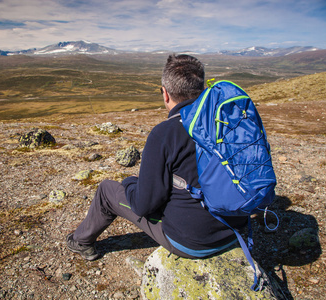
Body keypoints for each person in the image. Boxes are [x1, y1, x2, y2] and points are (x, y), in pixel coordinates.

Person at [66, 54, 247, 261]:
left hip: (194, 242)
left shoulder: (165, 133)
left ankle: (80, 241)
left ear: (165, 94)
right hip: (236, 230)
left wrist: (129, 183)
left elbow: (143, 206)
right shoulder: (228, 122)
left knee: (108, 190)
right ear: (202, 89)